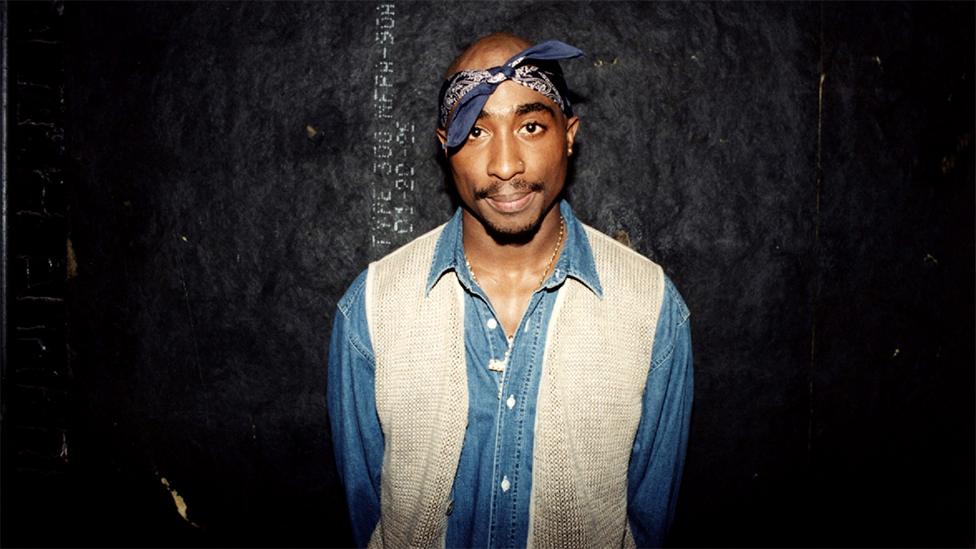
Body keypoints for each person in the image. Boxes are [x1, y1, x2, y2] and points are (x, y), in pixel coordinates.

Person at [327, 32, 693, 549]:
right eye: (475, 132)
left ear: (569, 134)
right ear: (444, 148)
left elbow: (650, 523)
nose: (504, 166)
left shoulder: (650, 308)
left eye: (530, 126)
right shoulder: (373, 308)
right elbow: (366, 521)